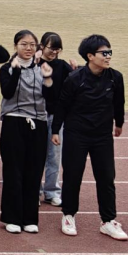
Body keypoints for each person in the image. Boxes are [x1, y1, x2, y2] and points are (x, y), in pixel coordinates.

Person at [52, 34, 127, 240]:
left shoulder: (115, 77)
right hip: (77, 134)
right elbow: (62, 105)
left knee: (106, 177)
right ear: (90, 56)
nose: (108, 56)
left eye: (109, 52)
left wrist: (119, 124)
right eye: (104, 53)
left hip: (102, 136)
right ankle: (68, 215)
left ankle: (108, 221)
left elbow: (119, 103)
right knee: (72, 176)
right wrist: (56, 130)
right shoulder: (75, 78)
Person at [0, 31, 53, 234]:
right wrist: (16, 71)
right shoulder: (7, 68)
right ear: (16, 46)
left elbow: (51, 98)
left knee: (34, 171)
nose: (28, 48)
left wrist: (48, 78)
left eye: (32, 44)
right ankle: (12, 217)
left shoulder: (42, 69)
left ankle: (30, 218)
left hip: (38, 124)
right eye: (24, 44)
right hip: (14, 122)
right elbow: (7, 92)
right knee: (13, 171)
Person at [38, 32, 75, 207]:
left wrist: (76, 68)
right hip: (36, 115)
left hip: (56, 116)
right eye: (51, 48)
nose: (54, 52)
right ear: (42, 46)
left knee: (54, 156)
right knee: (36, 155)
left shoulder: (62, 66)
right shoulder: (34, 64)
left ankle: (52, 191)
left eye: (57, 49)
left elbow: (77, 79)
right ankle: (34, 190)